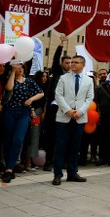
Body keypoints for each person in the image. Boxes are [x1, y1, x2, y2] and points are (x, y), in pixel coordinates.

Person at [52, 55, 94, 186]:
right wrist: (68, 110)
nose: (72, 64)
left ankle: (72, 173)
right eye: (71, 62)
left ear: (83, 64)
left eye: (76, 62)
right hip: (64, 117)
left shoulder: (88, 80)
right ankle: (57, 174)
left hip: (79, 118)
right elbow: (58, 95)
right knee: (60, 146)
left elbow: (89, 97)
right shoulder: (63, 78)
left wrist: (80, 111)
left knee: (75, 147)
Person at [1, 62, 44, 183]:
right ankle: (8, 166)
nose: (20, 69)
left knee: (18, 140)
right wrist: (13, 72)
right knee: (8, 140)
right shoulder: (10, 79)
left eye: (21, 67)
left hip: (23, 113)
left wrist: (31, 99)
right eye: (17, 67)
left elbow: (41, 92)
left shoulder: (29, 81)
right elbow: (8, 88)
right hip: (10, 111)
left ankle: (9, 169)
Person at [42, 40, 72, 172]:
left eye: (71, 63)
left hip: (67, 110)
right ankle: (48, 161)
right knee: (51, 135)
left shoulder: (73, 76)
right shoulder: (58, 73)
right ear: (62, 64)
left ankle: (62, 161)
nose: (69, 65)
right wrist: (60, 45)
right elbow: (55, 60)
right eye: (66, 63)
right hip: (54, 108)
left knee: (64, 137)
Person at [95, 66, 110, 166]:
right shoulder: (97, 87)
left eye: (104, 73)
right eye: (100, 74)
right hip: (102, 115)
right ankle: (102, 157)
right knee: (102, 137)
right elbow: (96, 101)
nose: (102, 75)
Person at [24, 70, 49, 171]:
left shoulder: (46, 88)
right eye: (42, 76)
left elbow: (44, 102)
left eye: (46, 77)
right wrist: (33, 111)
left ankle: (31, 161)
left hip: (40, 113)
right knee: (32, 138)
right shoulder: (33, 88)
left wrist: (43, 112)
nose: (44, 78)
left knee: (35, 138)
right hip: (32, 113)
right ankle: (27, 162)